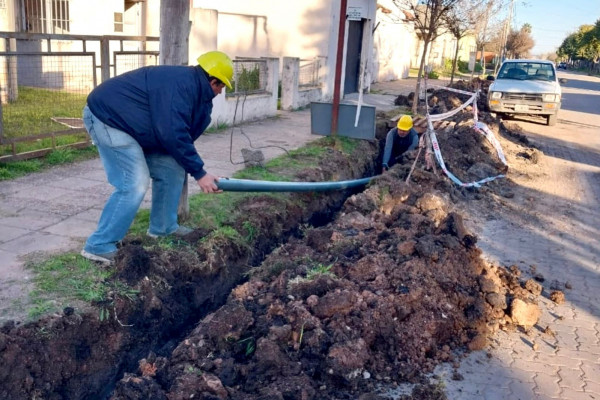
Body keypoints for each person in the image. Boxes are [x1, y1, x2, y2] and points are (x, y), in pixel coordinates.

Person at [80, 51, 234, 264]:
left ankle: (163, 228)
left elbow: (184, 135)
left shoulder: (197, 94)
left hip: (135, 127)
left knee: (173, 168)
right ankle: (99, 245)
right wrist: (199, 172)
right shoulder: (179, 84)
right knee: (134, 182)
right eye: (221, 86)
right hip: (108, 118)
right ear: (212, 80)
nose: (220, 92)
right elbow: (172, 131)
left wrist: (200, 170)